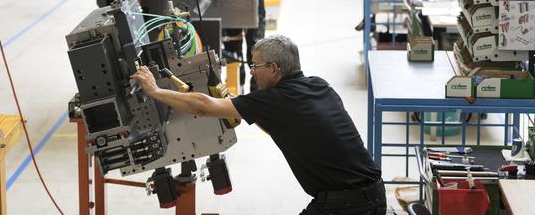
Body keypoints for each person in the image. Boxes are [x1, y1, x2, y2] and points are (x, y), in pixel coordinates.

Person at [131, 35, 387, 215]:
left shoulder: (274, 100)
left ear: (274, 68)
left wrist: (154, 90)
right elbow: (291, 125)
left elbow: (202, 106)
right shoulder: (318, 85)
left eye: (255, 65)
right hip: (375, 194)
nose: (252, 71)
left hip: (345, 205)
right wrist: (243, 108)